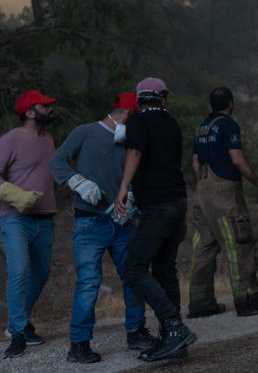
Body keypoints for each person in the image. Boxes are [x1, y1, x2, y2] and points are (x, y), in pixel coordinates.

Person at [49, 92, 157, 363]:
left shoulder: (130, 141)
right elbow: (56, 162)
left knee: (133, 276)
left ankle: (136, 331)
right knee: (88, 283)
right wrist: (78, 182)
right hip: (89, 222)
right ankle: (79, 345)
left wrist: (131, 196)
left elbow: (135, 173)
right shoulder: (84, 132)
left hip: (122, 221)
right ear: (128, 114)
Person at [114, 77, 196, 362]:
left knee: (134, 267)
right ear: (163, 98)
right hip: (178, 203)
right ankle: (173, 340)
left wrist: (123, 188)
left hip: (158, 207)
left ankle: (174, 327)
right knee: (164, 269)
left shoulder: (138, 121)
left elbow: (135, 151)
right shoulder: (171, 123)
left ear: (139, 100)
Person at [188, 87, 258, 319]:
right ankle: (248, 299)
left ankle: (200, 303)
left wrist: (201, 188)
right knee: (239, 241)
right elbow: (237, 159)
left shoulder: (200, 128)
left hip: (202, 191)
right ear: (230, 103)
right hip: (224, 192)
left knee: (204, 246)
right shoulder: (228, 125)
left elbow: (195, 162)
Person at [0, 90, 57, 359]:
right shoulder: (11, 139)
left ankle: (21, 323)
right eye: (44, 106)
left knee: (41, 273)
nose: (50, 110)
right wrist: (16, 196)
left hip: (45, 216)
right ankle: (18, 332)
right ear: (30, 112)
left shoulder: (48, 140)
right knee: (19, 270)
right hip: (14, 218)